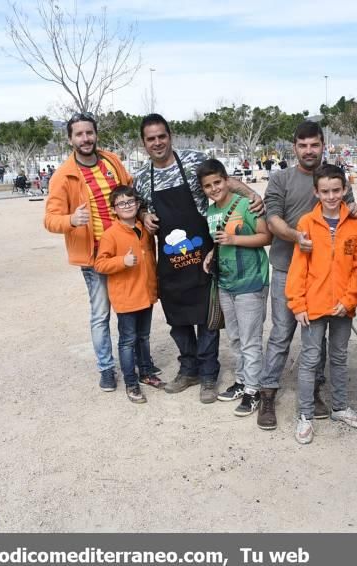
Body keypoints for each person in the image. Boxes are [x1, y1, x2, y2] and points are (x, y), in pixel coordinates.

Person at [134, 113, 263, 404]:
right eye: (151, 139)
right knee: (177, 318)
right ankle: (188, 369)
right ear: (144, 143)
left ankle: (207, 375)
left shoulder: (194, 161)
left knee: (207, 317)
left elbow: (225, 183)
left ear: (170, 136)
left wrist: (253, 194)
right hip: (170, 259)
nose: (157, 143)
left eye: (162, 136)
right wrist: (145, 216)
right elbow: (138, 207)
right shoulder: (141, 177)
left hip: (203, 251)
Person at [258, 121, 357, 431]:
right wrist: (296, 236)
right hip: (287, 267)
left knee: (318, 337)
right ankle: (268, 391)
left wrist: (354, 210)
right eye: (302, 146)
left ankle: (315, 391)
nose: (308, 150)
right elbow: (272, 217)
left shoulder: (334, 177)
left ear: (322, 145)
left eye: (314, 144)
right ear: (295, 148)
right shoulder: (280, 178)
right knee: (281, 333)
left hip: (327, 273)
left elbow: (349, 208)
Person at [44, 111, 134, 391]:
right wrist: (71, 220)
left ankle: (138, 362)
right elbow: (49, 219)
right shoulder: (63, 176)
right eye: (79, 134)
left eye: (89, 132)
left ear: (96, 134)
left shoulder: (112, 161)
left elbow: (129, 190)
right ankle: (106, 368)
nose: (85, 138)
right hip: (95, 259)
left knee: (131, 308)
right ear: (70, 139)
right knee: (101, 313)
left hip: (125, 248)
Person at [286, 164, 357, 444]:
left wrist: (349, 300)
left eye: (336, 190)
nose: (331, 196)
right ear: (316, 192)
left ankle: (340, 406)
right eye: (325, 191)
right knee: (310, 359)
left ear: (344, 189)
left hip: (343, 306)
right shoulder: (307, 223)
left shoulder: (356, 224)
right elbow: (299, 266)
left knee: (340, 357)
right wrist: (297, 304)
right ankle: (306, 415)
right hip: (313, 304)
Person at [198, 159, 272, 416]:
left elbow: (266, 237)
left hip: (250, 281)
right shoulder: (210, 212)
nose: (213, 189)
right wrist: (211, 253)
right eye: (207, 186)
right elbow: (219, 242)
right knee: (235, 337)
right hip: (226, 283)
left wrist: (233, 238)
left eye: (217, 182)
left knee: (250, 340)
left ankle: (254, 390)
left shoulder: (246, 204)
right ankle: (242, 381)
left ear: (226, 180)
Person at [94, 186, 158, 403]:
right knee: (128, 341)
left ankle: (147, 373)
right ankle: (131, 382)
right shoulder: (111, 234)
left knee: (144, 336)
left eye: (130, 202)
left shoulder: (144, 228)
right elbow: (100, 263)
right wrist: (122, 261)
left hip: (145, 293)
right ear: (115, 209)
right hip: (127, 297)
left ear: (138, 204)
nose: (127, 206)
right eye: (121, 204)